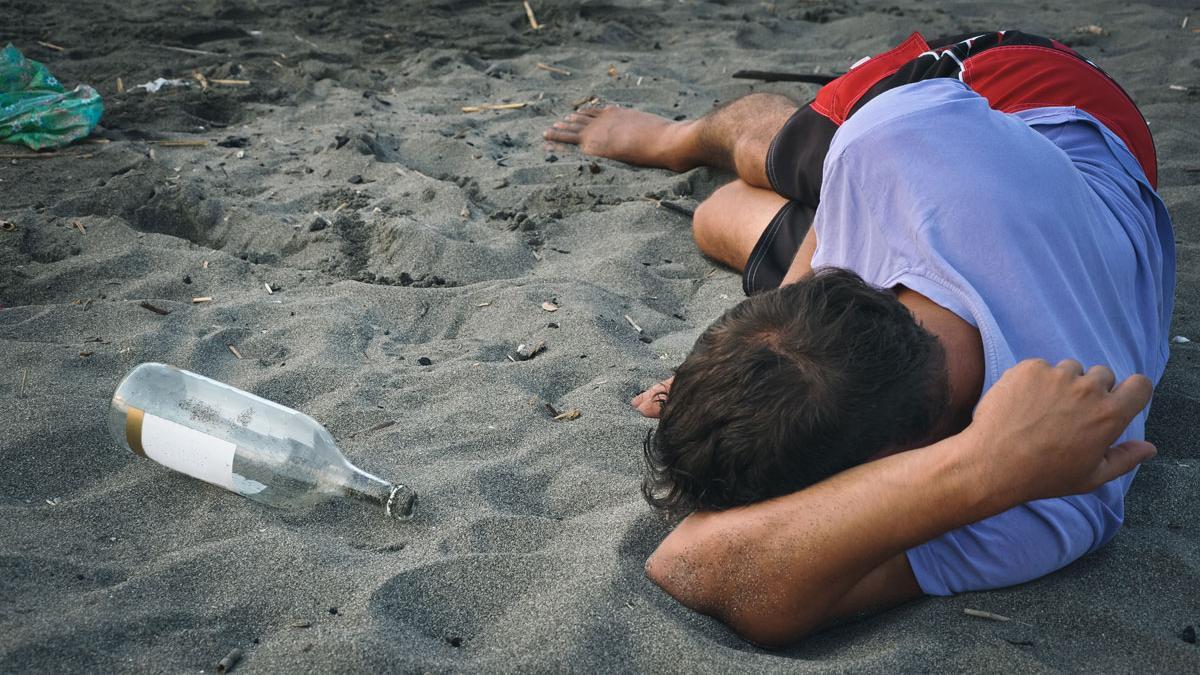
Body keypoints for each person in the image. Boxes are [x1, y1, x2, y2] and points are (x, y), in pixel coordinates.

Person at [543, 31, 1175, 645]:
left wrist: (980, 467)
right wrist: (751, 353)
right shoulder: (878, 153)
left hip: (1018, 85)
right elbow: (688, 562)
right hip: (956, 151)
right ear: (850, 287)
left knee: (781, 148)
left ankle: (680, 137)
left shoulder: (1051, 483)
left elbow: (694, 563)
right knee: (717, 219)